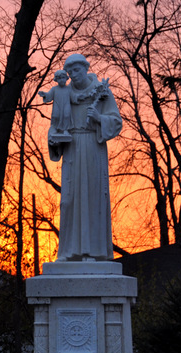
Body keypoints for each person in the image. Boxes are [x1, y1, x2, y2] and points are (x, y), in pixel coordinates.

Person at [49, 54, 122, 261]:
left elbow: (116, 121)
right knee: (69, 200)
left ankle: (94, 252)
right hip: (72, 148)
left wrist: (99, 119)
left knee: (93, 198)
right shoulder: (64, 93)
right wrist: (54, 138)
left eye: (77, 70)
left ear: (85, 68)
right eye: (70, 72)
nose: (73, 75)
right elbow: (56, 122)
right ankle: (68, 252)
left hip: (92, 147)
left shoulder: (102, 91)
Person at [38, 70, 73, 143]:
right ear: (56, 80)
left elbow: (73, 97)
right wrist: (44, 94)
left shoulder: (69, 89)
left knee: (66, 116)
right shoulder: (54, 89)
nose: (61, 80)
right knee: (55, 116)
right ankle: (56, 129)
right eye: (59, 78)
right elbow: (49, 96)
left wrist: (80, 97)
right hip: (57, 105)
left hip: (66, 105)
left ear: (66, 78)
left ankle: (65, 130)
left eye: (63, 78)